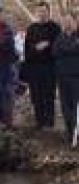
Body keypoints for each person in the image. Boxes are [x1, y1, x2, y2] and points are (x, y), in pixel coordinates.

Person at [24, 1, 61, 130]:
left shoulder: (55, 28)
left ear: (48, 12)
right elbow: (26, 50)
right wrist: (35, 48)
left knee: (49, 95)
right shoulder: (31, 29)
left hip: (50, 67)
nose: (42, 14)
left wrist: (48, 45)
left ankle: (49, 122)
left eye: (44, 11)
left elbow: (58, 48)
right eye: (39, 11)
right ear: (36, 13)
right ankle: (39, 121)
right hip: (34, 67)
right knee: (36, 95)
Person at [53, 12, 79, 145]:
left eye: (70, 21)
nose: (67, 24)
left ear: (75, 22)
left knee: (76, 107)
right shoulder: (59, 38)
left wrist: (68, 50)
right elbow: (55, 52)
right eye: (65, 21)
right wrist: (72, 49)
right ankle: (69, 132)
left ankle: (76, 133)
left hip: (76, 78)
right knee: (65, 107)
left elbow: (67, 51)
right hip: (62, 78)